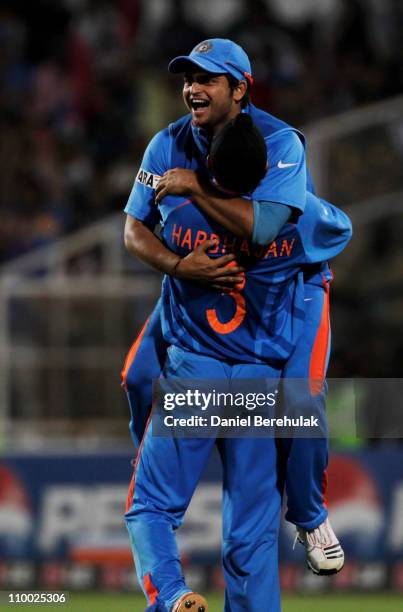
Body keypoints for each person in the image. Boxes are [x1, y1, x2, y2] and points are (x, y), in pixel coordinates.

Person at [123, 39, 351, 611]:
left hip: (218, 358)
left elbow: (279, 227)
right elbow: (132, 230)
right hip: (240, 361)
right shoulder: (166, 145)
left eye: (208, 78)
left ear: (241, 89)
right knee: (135, 377)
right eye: (188, 77)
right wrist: (178, 264)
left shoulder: (281, 156)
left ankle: (305, 517)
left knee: (305, 402)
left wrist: (196, 191)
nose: (193, 87)